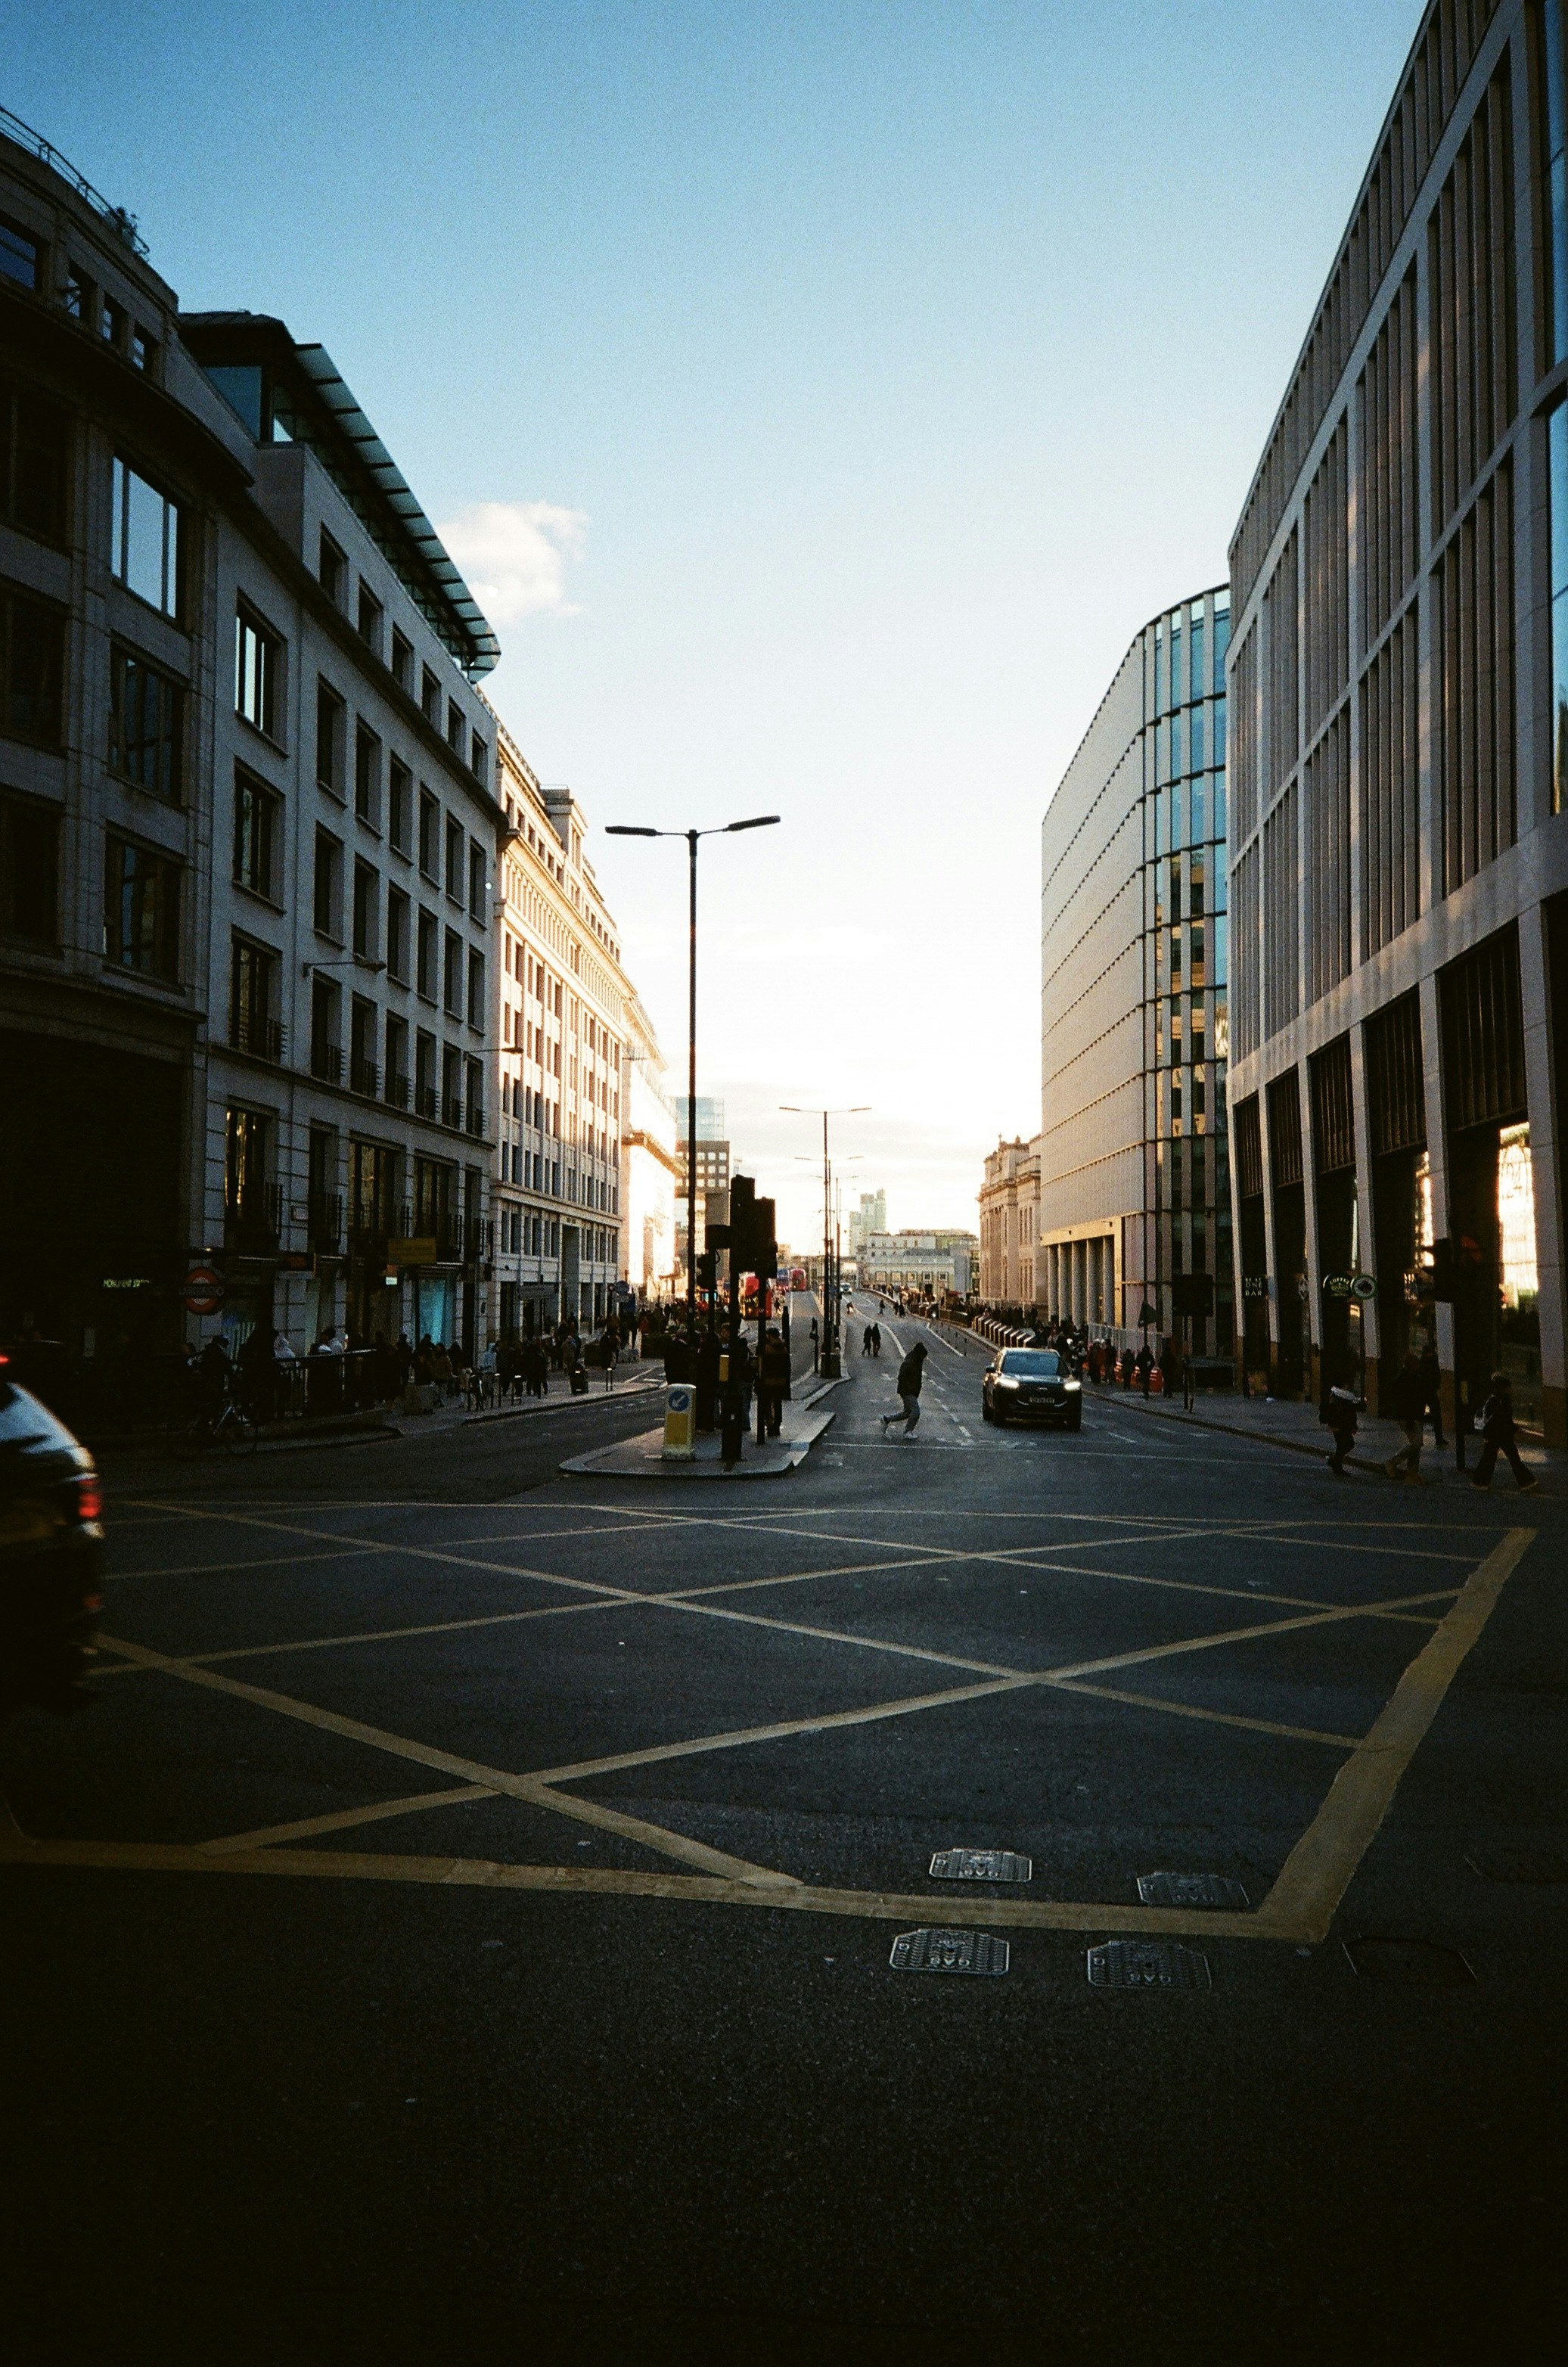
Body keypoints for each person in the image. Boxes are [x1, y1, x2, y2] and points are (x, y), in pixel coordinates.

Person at [1471, 1371, 1537, 1493]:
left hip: (1498, 1435)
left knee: (1491, 1459)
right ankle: (1526, 1481)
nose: (1511, 1390)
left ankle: (1480, 1482)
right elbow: (1502, 1420)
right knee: (1506, 1459)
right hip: (1499, 1435)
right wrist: (1514, 1429)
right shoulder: (1497, 1402)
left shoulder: (1499, 1401)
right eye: (1508, 1388)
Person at [1383, 1349, 1427, 1481]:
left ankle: (1412, 1473)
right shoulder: (1405, 1379)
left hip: (1413, 1415)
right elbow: (1405, 1400)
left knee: (1416, 1443)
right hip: (1409, 1416)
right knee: (1417, 1443)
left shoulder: (1411, 1377)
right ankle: (1393, 1462)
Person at [881, 1339, 927, 1440]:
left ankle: (887, 1419)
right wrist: (910, 1388)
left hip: (911, 1391)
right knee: (916, 1412)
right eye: (923, 1356)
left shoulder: (916, 1362)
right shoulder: (910, 1362)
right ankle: (908, 1431)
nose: (924, 1359)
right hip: (907, 1391)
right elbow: (902, 1376)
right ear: (919, 1354)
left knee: (907, 1412)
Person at [1321, 1370, 1361, 1476]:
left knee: (1342, 1445)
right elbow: (1345, 1414)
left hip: (1339, 1425)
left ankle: (1336, 1464)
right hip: (1340, 1425)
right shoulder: (1341, 1398)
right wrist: (1352, 1426)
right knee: (1347, 1444)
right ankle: (1335, 1464)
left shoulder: (1340, 1396)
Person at [758, 1325, 791, 1438]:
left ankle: (770, 1424)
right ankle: (777, 1424)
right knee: (778, 1404)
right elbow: (787, 1367)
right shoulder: (784, 1348)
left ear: (770, 1336)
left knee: (766, 1403)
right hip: (781, 1381)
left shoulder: (766, 1349)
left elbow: (762, 1366)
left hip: (768, 1381)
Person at [1418, 1342, 1446, 1448]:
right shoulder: (1431, 1362)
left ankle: (1436, 1438)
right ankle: (1438, 1438)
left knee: (1424, 1416)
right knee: (1435, 1415)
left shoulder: (1424, 1363)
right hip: (1429, 1392)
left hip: (1426, 1392)